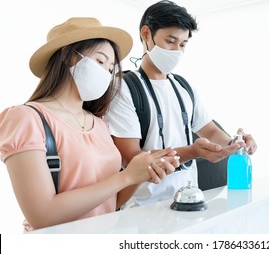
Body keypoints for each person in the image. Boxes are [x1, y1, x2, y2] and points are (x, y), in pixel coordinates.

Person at [0, 17, 179, 231]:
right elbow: (42, 215)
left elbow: (109, 204)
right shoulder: (26, 118)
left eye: (111, 68)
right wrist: (127, 176)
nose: (106, 73)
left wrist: (141, 173)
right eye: (100, 61)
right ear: (68, 57)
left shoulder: (99, 124)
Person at [104, 0, 257, 209]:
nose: (177, 50)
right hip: (141, 208)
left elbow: (210, 131)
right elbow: (134, 158)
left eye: (183, 44)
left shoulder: (183, 87)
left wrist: (235, 144)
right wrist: (193, 152)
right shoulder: (123, 88)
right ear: (146, 34)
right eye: (170, 41)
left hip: (189, 201)